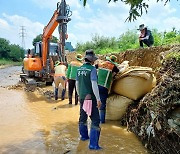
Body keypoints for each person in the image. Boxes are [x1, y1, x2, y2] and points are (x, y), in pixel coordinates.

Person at [76, 49, 102, 150]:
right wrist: (98, 99)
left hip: (82, 98)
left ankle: (84, 137)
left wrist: (79, 96)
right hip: (91, 98)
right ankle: (93, 145)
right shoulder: (92, 69)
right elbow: (94, 84)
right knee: (95, 120)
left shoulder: (79, 69)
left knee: (82, 118)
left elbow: (77, 85)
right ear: (92, 60)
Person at [96, 55, 119, 123]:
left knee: (97, 101)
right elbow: (118, 71)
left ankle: (95, 118)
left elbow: (94, 68)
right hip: (104, 86)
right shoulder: (113, 66)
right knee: (103, 104)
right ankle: (102, 121)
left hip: (97, 85)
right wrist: (112, 76)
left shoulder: (100, 64)